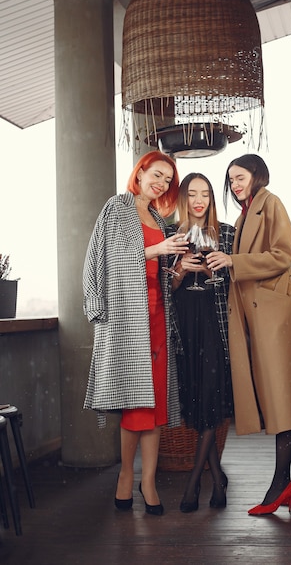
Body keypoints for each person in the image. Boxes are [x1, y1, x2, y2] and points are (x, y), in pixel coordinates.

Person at [207, 153, 291, 515]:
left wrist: (233, 262)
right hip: (257, 315)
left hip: (274, 314)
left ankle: (281, 483)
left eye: (239, 177)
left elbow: (283, 255)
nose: (234, 184)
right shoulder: (246, 213)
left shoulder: (270, 203)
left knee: (278, 396)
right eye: (230, 180)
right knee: (276, 399)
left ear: (257, 175)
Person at [83, 151, 189, 515]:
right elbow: (108, 260)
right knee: (136, 402)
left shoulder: (159, 217)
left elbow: (160, 275)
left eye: (167, 180)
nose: (160, 184)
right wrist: (156, 249)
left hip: (158, 317)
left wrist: (177, 269)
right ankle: (127, 476)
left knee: (156, 402)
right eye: (156, 175)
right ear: (140, 171)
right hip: (128, 319)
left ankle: (149, 481)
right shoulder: (118, 207)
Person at [168, 173, 234, 512]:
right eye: (192, 193)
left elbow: (235, 285)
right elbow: (165, 290)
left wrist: (211, 274)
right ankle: (216, 476)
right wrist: (180, 271)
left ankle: (195, 484)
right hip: (184, 330)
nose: (199, 200)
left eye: (205, 193)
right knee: (196, 401)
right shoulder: (170, 234)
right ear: (183, 198)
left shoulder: (226, 234)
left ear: (211, 198)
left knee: (209, 397)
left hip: (214, 328)